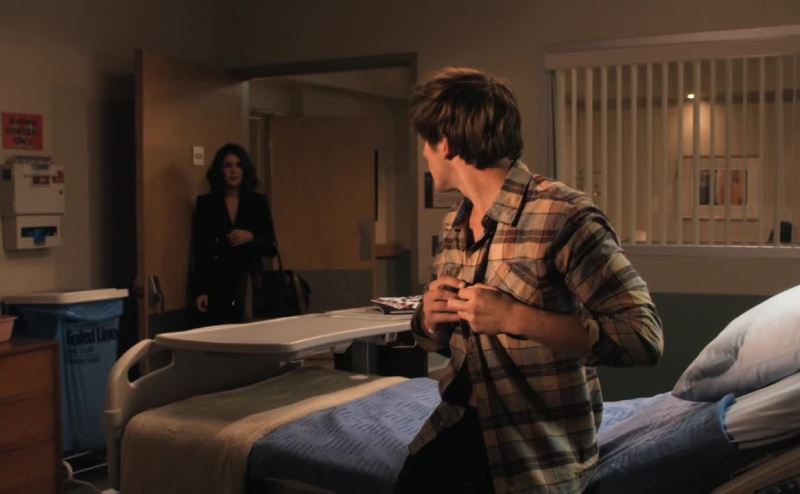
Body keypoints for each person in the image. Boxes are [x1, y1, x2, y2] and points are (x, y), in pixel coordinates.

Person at [395, 68, 664, 493]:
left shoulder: (564, 216)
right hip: (456, 426)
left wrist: (513, 317)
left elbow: (643, 338)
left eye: (426, 144)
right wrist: (429, 319)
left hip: (532, 450)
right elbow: (441, 343)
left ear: (444, 143)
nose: (425, 156)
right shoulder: (454, 223)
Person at [191, 143, 276, 326]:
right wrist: (200, 290)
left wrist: (250, 237)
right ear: (219, 170)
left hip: (247, 284)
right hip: (216, 285)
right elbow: (199, 250)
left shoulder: (257, 203)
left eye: (238, 165)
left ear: (245, 170)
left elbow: (271, 247)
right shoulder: (207, 204)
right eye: (227, 165)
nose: (233, 171)